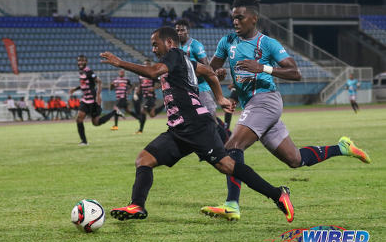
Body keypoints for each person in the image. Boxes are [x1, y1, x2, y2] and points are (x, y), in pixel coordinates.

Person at [100, 26, 295, 223]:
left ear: (169, 43)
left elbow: (153, 72)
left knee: (227, 166)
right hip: (179, 128)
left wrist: (119, 62)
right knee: (144, 160)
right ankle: (137, 205)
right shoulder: (183, 61)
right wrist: (220, 98)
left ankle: (278, 194)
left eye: (155, 44)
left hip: (196, 125)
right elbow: (208, 72)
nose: (153, 49)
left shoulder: (174, 54)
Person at [206, 0, 371, 221]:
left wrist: (262, 68)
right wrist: (218, 73)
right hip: (254, 106)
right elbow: (209, 70)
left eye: (240, 18)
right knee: (295, 160)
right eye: (233, 18)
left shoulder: (268, 44)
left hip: (266, 101)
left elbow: (295, 72)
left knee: (232, 147)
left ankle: (232, 204)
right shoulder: (227, 42)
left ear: (253, 19)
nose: (235, 22)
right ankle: (342, 148)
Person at [175, 18, 231, 140]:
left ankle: (226, 143)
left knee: (210, 120)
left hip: (201, 88)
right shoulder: (175, 47)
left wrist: (191, 73)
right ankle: (226, 135)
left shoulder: (195, 45)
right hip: (186, 90)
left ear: (187, 31)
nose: (179, 33)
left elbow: (206, 68)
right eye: (177, 30)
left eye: (182, 30)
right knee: (193, 120)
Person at [69, 55, 123, 146]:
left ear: (86, 62)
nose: (80, 62)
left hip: (93, 101)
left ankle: (114, 112)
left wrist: (98, 95)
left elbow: (99, 81)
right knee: (79, 119)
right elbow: (85, 84)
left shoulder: (89, 72)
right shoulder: (81, 72)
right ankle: (84, 141)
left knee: (96, 123)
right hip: (85, 100)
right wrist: (75, 89)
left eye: (82, 61)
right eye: (79, 61)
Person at [134, 59, 165, 133]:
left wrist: (154, 88)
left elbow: (161, 82)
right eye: (145, 64)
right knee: (152, 115)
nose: (146, 66)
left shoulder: (152, 74)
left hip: (151, 97)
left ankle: (140, 130)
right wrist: (138, 90)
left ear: (150, 65)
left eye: (147, 64)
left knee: (142, 110)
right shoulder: (140, 75)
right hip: (145, 96)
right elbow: (140, 84)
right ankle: (165, 104)